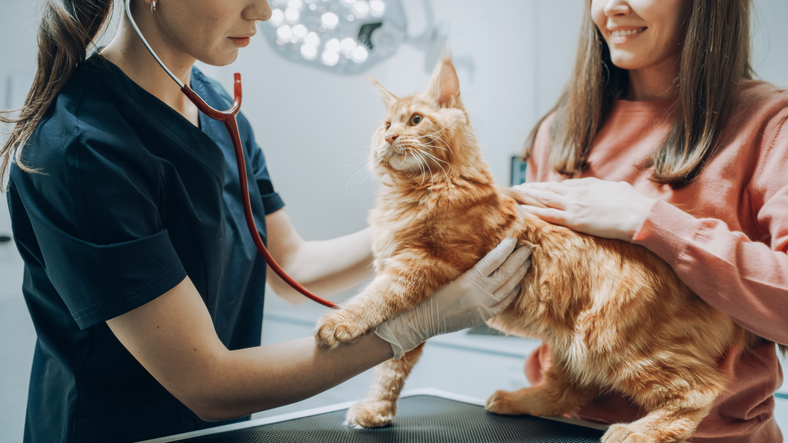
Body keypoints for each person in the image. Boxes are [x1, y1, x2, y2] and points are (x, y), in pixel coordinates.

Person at [0, 1, 532, 442]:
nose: (266, 10)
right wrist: (414, 323)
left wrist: (441, 222)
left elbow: (291, 268)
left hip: (224, 432)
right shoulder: (82, 151)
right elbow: (205, 382)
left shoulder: (220, 111)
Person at [512, 0, 787, 441]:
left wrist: (648, 221)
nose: (611, 8)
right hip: (557, 428)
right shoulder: (558, 132)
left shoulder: (771, 124)